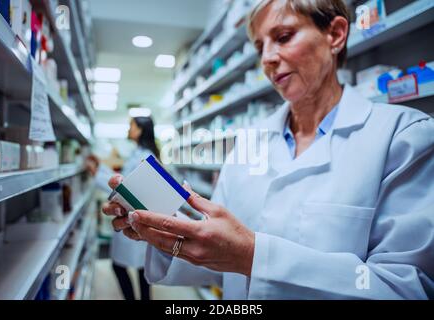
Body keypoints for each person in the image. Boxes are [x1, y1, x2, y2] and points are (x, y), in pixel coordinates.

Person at [103, 0, 434, 299]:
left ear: (335, 34)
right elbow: (220, 257)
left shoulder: (403, 137)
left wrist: (253, 255)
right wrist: (167, 232)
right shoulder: (249, 141)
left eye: (284, 36)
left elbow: (406, 287)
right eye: (260, 46)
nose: (267, 59)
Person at [88, 116, 160, 300]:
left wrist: (98, 175)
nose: (128, 129)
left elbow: (128, 189)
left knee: (124, 267)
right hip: (135, 218)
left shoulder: (144, 157)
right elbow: (124, 179)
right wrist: (101, 170)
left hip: (135, 218)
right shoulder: (140, 153)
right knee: (142, 270)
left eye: (131, 126)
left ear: (140, 129)